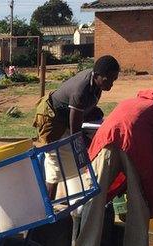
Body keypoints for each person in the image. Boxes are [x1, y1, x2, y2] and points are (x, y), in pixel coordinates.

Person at [70, 77, 153, 246]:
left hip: (105, 141)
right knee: (138, 203)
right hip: (137, 147)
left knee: (94, 200)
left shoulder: (132, 100)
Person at [34, 56, 120, 197]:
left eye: (114, 79)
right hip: (51, 119)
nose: (111, 84)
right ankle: (49, 208)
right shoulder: (81, 91)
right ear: (98, 75)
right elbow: (75, 132)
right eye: (108, 79)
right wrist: (89, 147)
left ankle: (67, 199)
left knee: (71, 160)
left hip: (66, 117)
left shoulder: (97, 84)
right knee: (55, 162)